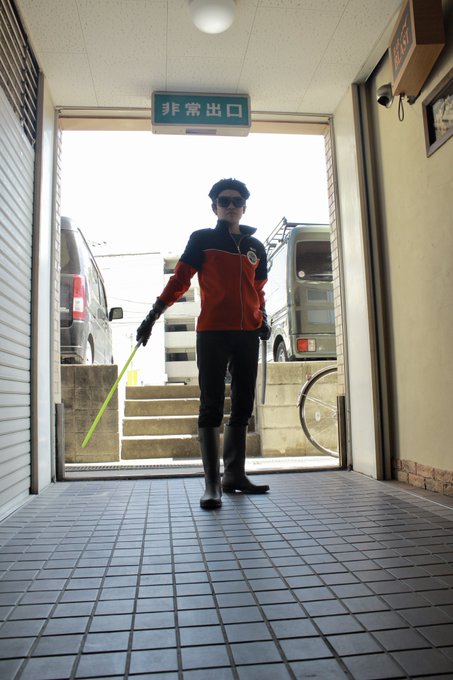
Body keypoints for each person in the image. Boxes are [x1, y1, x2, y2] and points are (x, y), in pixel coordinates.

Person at [136, 178, 271, 509]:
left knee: (243, 404)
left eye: (236, 201)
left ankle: (234, 475)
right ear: (214, 207)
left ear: (244, 207)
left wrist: (263, 318)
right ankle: (212, 485)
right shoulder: (203, 240)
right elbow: (180, 279)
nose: (230, 205)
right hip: (212, 332)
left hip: (247, 334)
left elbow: (258, 289)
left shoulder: (256, 246)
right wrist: (153, 315)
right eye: (224, 201)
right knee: (211, 404)